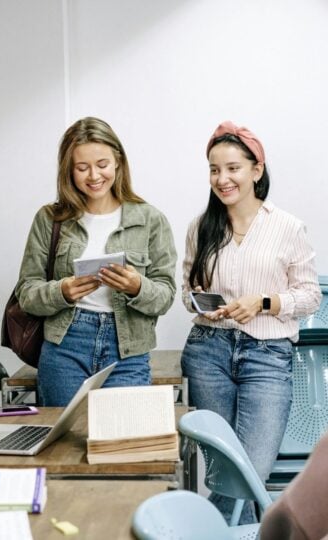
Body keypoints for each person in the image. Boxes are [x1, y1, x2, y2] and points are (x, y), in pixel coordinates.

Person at [181, 121, 321, 525]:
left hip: (268, 356)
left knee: (249, 471)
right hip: (208, 352)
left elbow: (309, 296)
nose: (222, 179)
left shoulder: (288, 227)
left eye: (232, 168)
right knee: (223, 470)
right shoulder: (201, 227)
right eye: (213, 169)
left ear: (256, 170)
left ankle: (206, 530)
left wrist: (263, 302)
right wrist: (203, 305)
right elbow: (186, 293)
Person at [16, 117, 177, 406]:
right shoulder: (49, 219)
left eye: (102, 164)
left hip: (128, 349)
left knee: (121, 444)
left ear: (118, 162)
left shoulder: (150, 219)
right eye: (82, 168)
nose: (94, 176)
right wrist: (62, 291)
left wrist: (137, 286)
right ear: (69, 170)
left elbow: (165, 296)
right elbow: (27, 293)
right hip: (65, 346)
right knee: (63, 445)